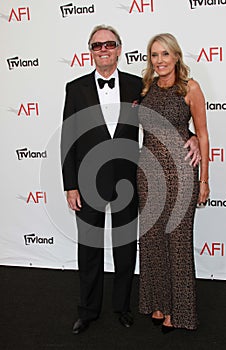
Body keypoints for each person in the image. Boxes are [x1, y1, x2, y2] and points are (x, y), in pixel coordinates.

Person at [61, 25, 200, 335]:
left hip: (129, 177)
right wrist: (70, 185)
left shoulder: (140, 85)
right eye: (97, 45)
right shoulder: (75, 87)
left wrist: (190, 137)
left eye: (109, 44)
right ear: (91, 51)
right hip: (87, 180)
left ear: (119, 49)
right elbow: (68, 139)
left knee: (125, 249)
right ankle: (88, 310)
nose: (103, 49)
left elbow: (167, 117)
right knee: (90, 249)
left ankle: (122, 307)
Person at [137, 33, 210, 333]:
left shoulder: (190, 88)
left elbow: (202, 134)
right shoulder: (146, 88)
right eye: (154, 55)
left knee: (177, 242)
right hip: (147, 173)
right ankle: (158, 303)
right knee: (152, 240)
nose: (160, 60)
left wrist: (204, 179)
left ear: (177, 56)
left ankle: (178, 313)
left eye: (165, 54)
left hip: (180, 172)